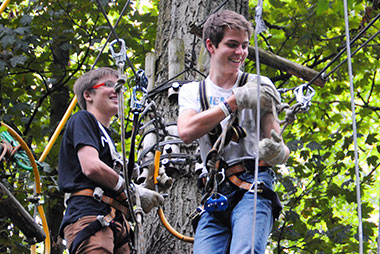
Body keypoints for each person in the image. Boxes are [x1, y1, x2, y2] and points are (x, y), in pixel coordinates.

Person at [177, 10, 290, 254]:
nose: (240, 53)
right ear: (211, 45)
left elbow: (278, 145)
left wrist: (275, 151)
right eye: (232, 45)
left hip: (254, 182)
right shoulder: (193, 92)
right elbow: (186, 131)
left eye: (244, 46)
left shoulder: (260, 85)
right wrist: (233, 102)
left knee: (246, 250)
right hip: (215, 191)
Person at [58, 67, 163, 254]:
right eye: (108, 85)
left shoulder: (110, 141)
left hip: (116, 222)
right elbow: (91, 166)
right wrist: (129, 189)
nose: (117, 90)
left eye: (119, 86)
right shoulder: (83, 120)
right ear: (88, 95)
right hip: (90, 215)